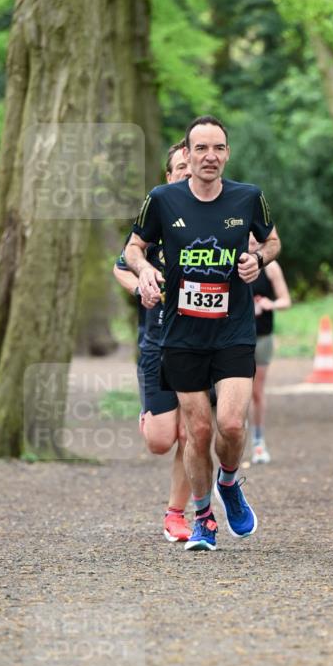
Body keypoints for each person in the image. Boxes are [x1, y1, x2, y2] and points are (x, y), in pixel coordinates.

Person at [125, 115, 281, 552]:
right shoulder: (162, 200)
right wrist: (146, 271)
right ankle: (203, 518)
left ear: (227, 153)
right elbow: (132, 248)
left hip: (233, 330)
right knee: (197, 432)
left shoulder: (248, 198)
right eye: (201, 149)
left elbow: (272, 242)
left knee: (230, 425)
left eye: (218, 148)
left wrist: (259, 261)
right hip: (180, 334)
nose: (209, 156)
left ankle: (228, 484)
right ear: (187, 156)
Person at [113, 140, 192, 542]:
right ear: (169, 175)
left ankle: (176, 514)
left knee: (191, 433)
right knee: (162, 441)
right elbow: (121, 265)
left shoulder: (216, 216)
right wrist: (138, 285)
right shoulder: (154, 218)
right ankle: (150, 416)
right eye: (181, 167)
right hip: (158, 343)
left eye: (193, 166)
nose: (188, 172)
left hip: (201, 343)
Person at [248, 232, 291, 464]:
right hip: (234, 339)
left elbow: (286, 300)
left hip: (262, 336)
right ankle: (232, 440)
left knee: (256, 391)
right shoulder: (232, 263)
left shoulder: (271, 268)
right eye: (249, 240)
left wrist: (268, 304)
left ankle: (258, 441)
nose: (252, 245)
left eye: (256, 241)